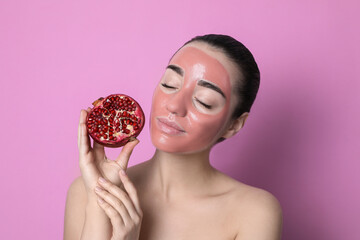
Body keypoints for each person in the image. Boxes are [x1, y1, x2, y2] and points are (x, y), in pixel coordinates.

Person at [64, 34, 283, 240]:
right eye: (170, 84)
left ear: (233, 125)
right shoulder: (86, 193)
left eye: (204, 101)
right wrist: (98, 205)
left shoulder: (253, 212)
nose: (173, 105)